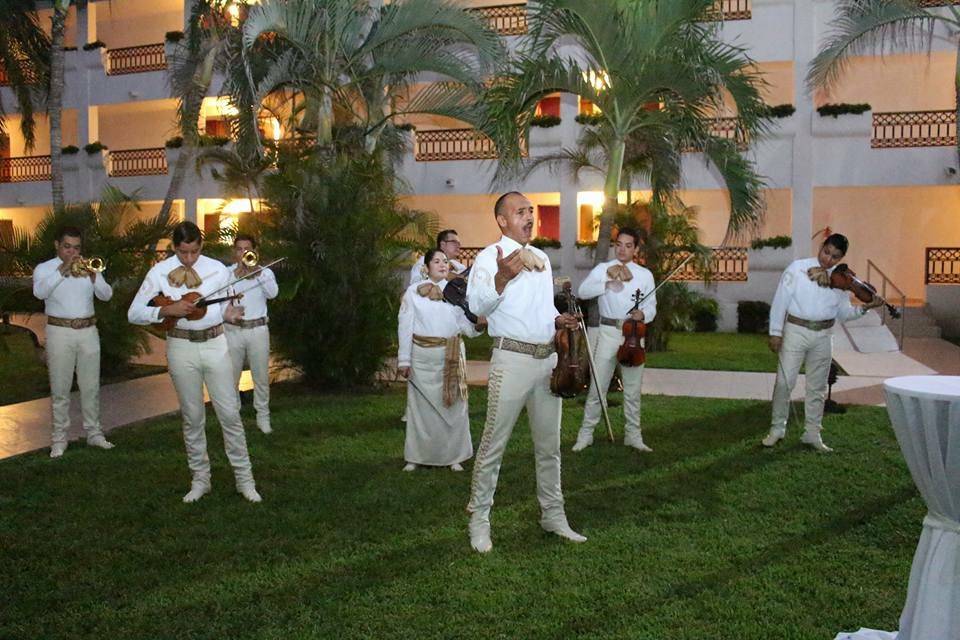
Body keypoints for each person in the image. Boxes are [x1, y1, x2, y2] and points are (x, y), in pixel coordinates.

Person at [465, 191, 585, 553]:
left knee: (549, 447)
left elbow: (542, 307)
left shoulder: (543, 259)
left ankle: (553, 514)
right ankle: (479, 520)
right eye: (520, 212)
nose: (529, 217)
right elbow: (476, 306)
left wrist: (558, 319)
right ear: (502, 220)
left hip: (548, 360)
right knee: (492, 446)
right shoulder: (490, 258)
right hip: (511, 361)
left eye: (531, 211)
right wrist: (500, 279)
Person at [128, 221, 261, 503]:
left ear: (201, 246)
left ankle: (245, 480)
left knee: (229, 413)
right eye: (183, 252)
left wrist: (230, 314)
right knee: (192, 417)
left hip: (215, 344)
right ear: (174, 247)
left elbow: (225, 308)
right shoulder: (160, 272)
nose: (189, 258)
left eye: (194, 252)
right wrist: (167, 309)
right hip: (180, 346)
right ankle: (200, 480)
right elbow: (134, 312)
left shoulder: (217, 269)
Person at [763, 233, 883, 452]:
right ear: (821, 246)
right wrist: (775, 332)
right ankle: (777, 428)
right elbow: (781, 300)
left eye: (835, 257)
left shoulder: (841, 280)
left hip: (824, 335)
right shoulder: (797, 268)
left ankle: (812, 433)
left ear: (841, 258)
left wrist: (865, 307)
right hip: (795, 331)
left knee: (817, 387)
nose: (828, 260)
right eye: (826, 252)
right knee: (784, 382)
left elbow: (845, 314)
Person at [572, 227, 657, 453]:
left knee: (632, 388)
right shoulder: (603, 269)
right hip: (608, 331)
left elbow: (652, 308)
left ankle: (633, 435)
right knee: (597, 387)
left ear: (636, 249)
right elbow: (583, 291)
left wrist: (643, 315)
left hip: (632, 335)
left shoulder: (644, 275)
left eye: (628, 246)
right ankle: (586, 434)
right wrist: (606, 285)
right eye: (619, 244)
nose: (622, 249)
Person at [32, 226, 115, 458]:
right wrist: (62, 270)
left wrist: (94, 276)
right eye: (67, 247)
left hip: (88, 330)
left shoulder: (89, 267)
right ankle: (59, 438)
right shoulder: (45, 269)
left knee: (91, 386)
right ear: (57, 245)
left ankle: (94, 433)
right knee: (60, 388)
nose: (72, 252)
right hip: (60, 331)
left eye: (76, 248)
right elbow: (39, 292)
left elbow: (106, 295)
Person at [397, 249, 481, 472]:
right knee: (419, 408)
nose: (443, 264)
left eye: (445, 261)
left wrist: (479, 324)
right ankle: (416, 456)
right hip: (422, 357)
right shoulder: (413, 293)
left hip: (451, 356)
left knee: (453, 406)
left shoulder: (456, 293)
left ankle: (454, 456)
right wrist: (404, 360)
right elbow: (405, 325)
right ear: (426, 267)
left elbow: (467, 327)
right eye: (436, 261)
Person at [224, 233, 278, 434]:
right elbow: (221, 300)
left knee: (261, 377)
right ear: (234, 252)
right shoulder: (227, 274)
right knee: (231, 377)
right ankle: (234, 418)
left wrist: (258, 273)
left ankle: (263, 417)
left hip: (258, 330)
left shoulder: (265, 273)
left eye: (248, 249)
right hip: (234, 331)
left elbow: (273, 294)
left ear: (255, 251)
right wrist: (236, 274)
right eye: (239, 249)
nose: (243, 253)